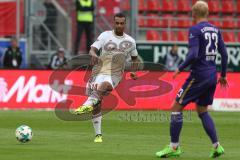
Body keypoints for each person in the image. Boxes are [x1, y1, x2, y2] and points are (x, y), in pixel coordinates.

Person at [156, 1, 228, 158]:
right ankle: (216, 146)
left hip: (198, 75)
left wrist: (179, 68)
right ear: (207, 13)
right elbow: (225, 54)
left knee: (176, 108)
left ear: (194, 14)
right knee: (202, 111)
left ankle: (174, 148)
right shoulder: (216, 29)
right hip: (211, 75)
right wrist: (223, 75)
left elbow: (193, 54)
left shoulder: (195, 29)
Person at [74, 13, 139, 143]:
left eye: (122, 23)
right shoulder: (105, 36)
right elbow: (92, 49)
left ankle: (86, 104)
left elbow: (135, 58)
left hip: (115, 74)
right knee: (97, 102)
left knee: (105, 86)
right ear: (113, 23)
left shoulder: (131, 42)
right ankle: (98, 135)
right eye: (117, 23)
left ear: (125, 24)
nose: (119, 25)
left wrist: (133, 71)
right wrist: (93, 55)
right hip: (99, 71)